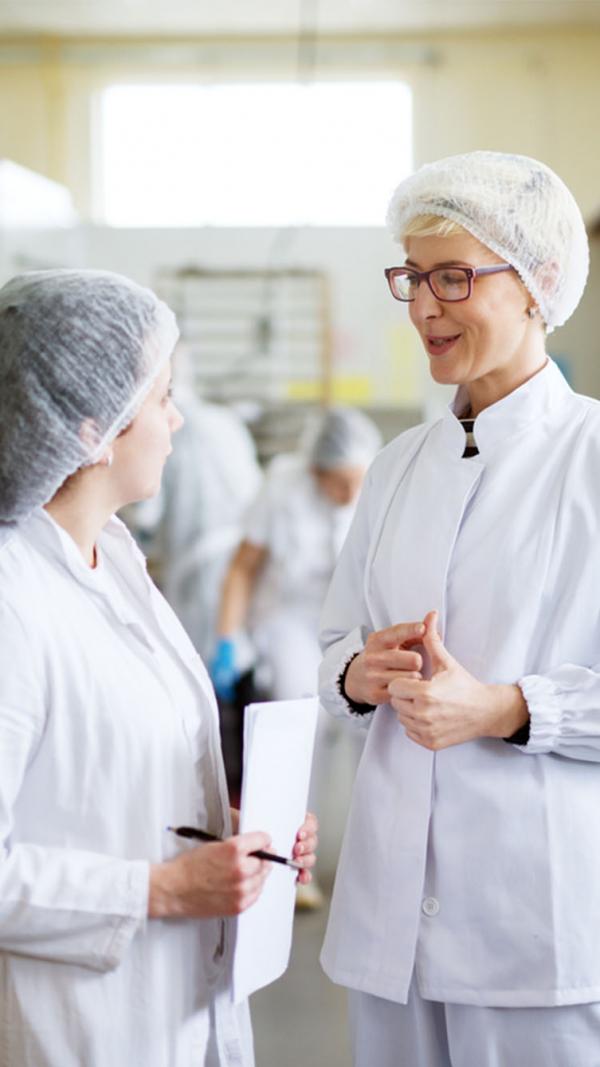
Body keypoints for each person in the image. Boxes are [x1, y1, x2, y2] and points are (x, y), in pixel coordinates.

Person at [318, 151, 600, 1066]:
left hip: (534, 923)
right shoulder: (398, 464)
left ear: (538, 284)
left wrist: (507, 708)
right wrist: (356, 674)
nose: (424, 307)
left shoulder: (591, 456)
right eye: (411, 275)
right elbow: (333, 644)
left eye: (453, 275)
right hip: (387, 921)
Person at [0, 268, 317, 1067]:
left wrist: (241, 842)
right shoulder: (12, 594)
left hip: (180, 1010)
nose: (177, 420)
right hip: (78, 1030)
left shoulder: (114, 562)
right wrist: (167, 889)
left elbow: (115, 789)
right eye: (161, 396)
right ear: (92, 428)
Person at [211, 407, 381, 907]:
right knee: (299, 723)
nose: (349, 495)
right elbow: (243, 567)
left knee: (366, 734)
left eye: (356, 482)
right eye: (338, 484)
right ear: (314, 472)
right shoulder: (282, 485)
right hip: (290, 619)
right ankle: (289, 859)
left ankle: (369, 862)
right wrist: (227, 637)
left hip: (354, 624)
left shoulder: (380, 486)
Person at [123, 345, 263, 663]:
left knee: (195, 657)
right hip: (239, 556)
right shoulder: (226, 421)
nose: (172, 418)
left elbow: (146, 513)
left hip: (196, 568)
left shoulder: (161, 427)